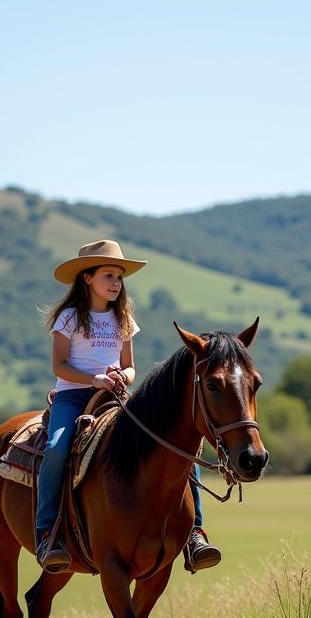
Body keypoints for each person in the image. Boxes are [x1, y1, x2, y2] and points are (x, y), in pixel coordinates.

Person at [35, 239, 222, 575]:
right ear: (87, 278)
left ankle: (195, 534)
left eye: (119, 277)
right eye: (109, 275)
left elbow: (131, 366)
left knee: (179, 444)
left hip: (119, 396)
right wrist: (94, 379)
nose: (116, 283)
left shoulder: (123, 318)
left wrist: (122, 375)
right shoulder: (69, 318)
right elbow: (59, 366)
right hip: (73, 396)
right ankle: (47, 533)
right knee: (56, 447)